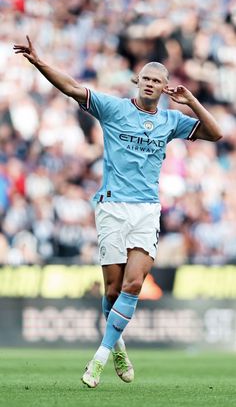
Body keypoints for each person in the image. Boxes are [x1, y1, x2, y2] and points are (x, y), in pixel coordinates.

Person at [13, 36, 222, 387]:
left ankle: (99, 358)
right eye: (146, 79)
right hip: (112, 206)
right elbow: (73, 88)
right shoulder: (113, 108)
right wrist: (38, 62)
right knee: (112, 292)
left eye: (157, 80)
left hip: (146, 210)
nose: (151, 84)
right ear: (136, 82)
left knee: (135, 283)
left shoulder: (172, 120)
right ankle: (118, 345)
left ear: (165, 86)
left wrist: (191, 102)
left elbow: (216, 134)